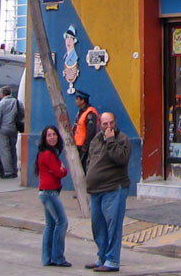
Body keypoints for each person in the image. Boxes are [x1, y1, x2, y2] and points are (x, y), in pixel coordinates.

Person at [85, 112, 131, 273]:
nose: (108, 127)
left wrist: (111, 140)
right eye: (105, 124)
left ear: (116, 122)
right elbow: (90, 160)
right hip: (95, 190)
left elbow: (121, 158)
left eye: (111, 123)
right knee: (98, 226)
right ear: (100, 124)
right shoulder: (96, 140)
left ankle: (112, 260)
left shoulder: (122, 139)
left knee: (113, 226)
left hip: (113, 188)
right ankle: (102, 256)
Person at [35, 125, 72, 267]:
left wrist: (60, 170)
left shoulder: (48, 153)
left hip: (47, 191)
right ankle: (58, 257)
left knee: (50, 224)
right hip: (50, 192)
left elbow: (56, 171)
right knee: (62, 222)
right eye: (49, 135)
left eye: (54, 134)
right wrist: (63, 170)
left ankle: (47, 258)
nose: (52, 137)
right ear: (44, 138)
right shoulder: (48, 154)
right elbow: (59, 172)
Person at [0, 86, 21, 178]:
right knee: (13, 149)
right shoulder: (17, 102)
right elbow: (22, 113)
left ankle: (8, 171)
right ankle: (14, 169)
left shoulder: (1, 104)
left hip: (3, 129)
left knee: (5, 150)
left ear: (2, 94)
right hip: (14, 128)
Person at [73, 91, 100, 171]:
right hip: (78, 145)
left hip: (85, 147)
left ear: (82, 100)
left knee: (85, 169)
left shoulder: (90, 113)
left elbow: (91, 132)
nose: (76, 101)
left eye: (77, 99)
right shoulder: (81, 112)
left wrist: (86, 146)